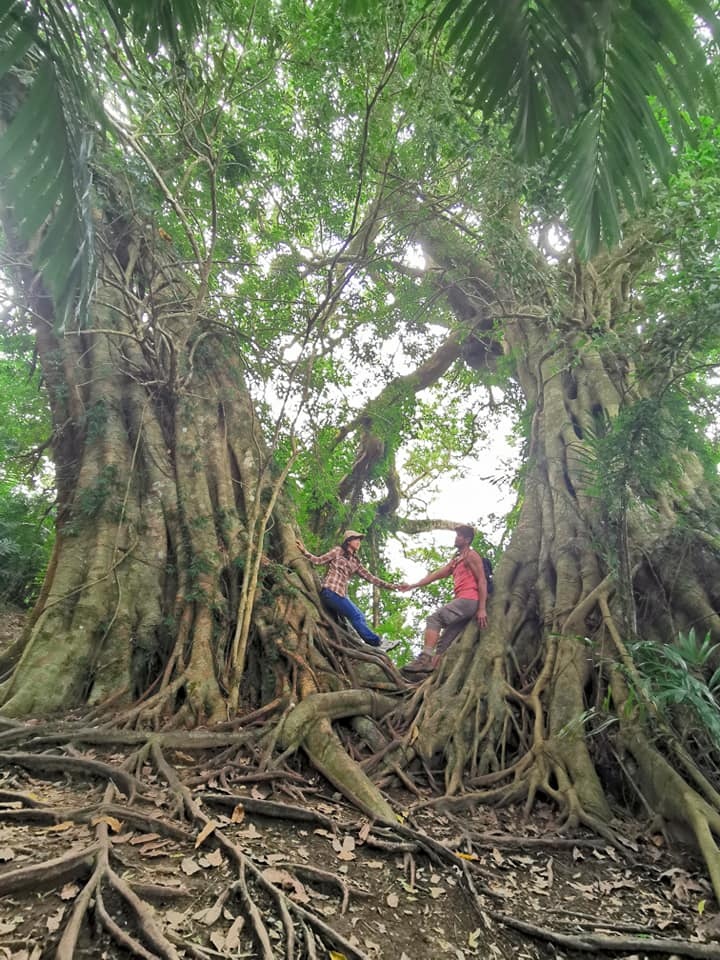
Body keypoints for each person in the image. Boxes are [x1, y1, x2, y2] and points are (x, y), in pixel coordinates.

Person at [401, 524, 488, 674]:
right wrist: (413, 585)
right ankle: (432, 671)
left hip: (469, 600)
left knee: (434, 619)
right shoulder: (456, 560)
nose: (456, 538)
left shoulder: (471, 556)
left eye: (459, 536)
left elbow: (482, 580)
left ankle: (424, 658)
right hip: (464, 602)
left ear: (467, 540)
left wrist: (482, 608)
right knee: (444, 641)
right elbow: (435, 575)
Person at [295, 530, 405, 647]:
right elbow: (318, 560)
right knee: (356, 616)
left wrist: (394, 587)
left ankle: (370, 643)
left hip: (341, 595)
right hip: (330, 591)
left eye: (359, 540)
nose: (358, 542)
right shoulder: (338, 551)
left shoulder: (355, 562)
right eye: (356, 539)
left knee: (360, 616)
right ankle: (378, 643)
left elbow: (371, 578)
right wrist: (304, 551)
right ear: (348, 541)